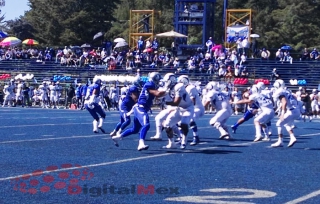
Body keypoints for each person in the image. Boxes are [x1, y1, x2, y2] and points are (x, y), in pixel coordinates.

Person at [111, 72, 167, 151]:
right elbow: (157, 94)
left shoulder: (152, 85)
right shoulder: (149, 84)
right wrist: (167, 89)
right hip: (140, 108)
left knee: (135, 129)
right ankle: (141, 144)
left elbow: (157, 97)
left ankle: (118, 137)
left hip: (140, 108)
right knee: (146, 125)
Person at [271, 79, 300, 147]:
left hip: (292, 111)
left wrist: (283, 113)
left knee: (279, 123)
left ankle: (280, 141)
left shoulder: (280, 92)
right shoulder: (287, 90)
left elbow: (284, 102)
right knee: (287, 124)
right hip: (296, 110)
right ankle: (292, 138)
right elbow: (295, 98)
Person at [177, 75, 204, 146]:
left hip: (197, 108)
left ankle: (196, 137)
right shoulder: (182, 89)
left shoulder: (190, 88)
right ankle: (181, 138)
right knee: (179, 122)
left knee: (191, 120)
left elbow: (193, 102)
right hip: (188, 108)